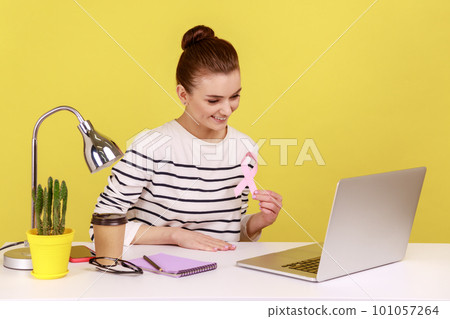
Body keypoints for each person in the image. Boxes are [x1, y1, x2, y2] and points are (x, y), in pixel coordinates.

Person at [91, 25, 283, 252]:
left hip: (221, 277)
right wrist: (175, 235)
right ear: (183, 94)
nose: (227, 110)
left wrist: (257, 222)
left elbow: (227, 232)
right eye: (213, 100)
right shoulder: (151, 146)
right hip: (157, 276)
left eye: (235, 96)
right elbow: (100, 227)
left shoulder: (244, 149)